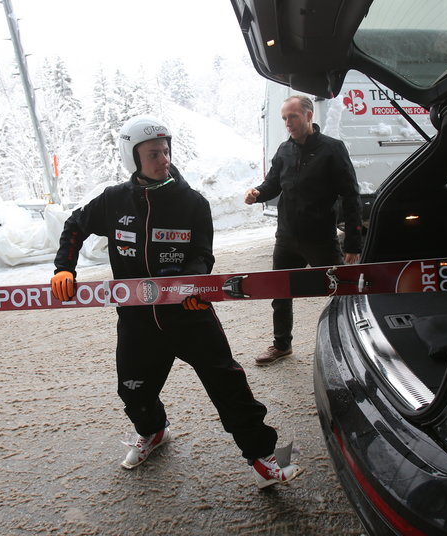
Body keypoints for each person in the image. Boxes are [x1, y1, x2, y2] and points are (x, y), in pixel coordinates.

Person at [50, 115, 301, 489]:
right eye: (153, 154)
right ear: (132, 157)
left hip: (189, 314)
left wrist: (192, 285)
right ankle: (153, 431)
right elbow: (75, 225)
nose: (163, 159)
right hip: (137, 319)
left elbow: (202, 256)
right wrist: (64, 268)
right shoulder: (113, 201)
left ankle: (263, 459)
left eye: (165, 151)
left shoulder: (192, 203)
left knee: (228, 385)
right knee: (133, 391)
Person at [244, 95, 362, 365]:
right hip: (287, 237)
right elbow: (272, 184)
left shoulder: (332, 149)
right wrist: (257, 193)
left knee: (341, 291)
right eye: (284, 118)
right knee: (280, 293)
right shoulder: (284, 150)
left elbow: (351, 196)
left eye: (292, 116)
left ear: (309, 116)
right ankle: (281, 345)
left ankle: (352, 340)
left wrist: (353, 244)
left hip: (320, 238)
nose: (287, 122)